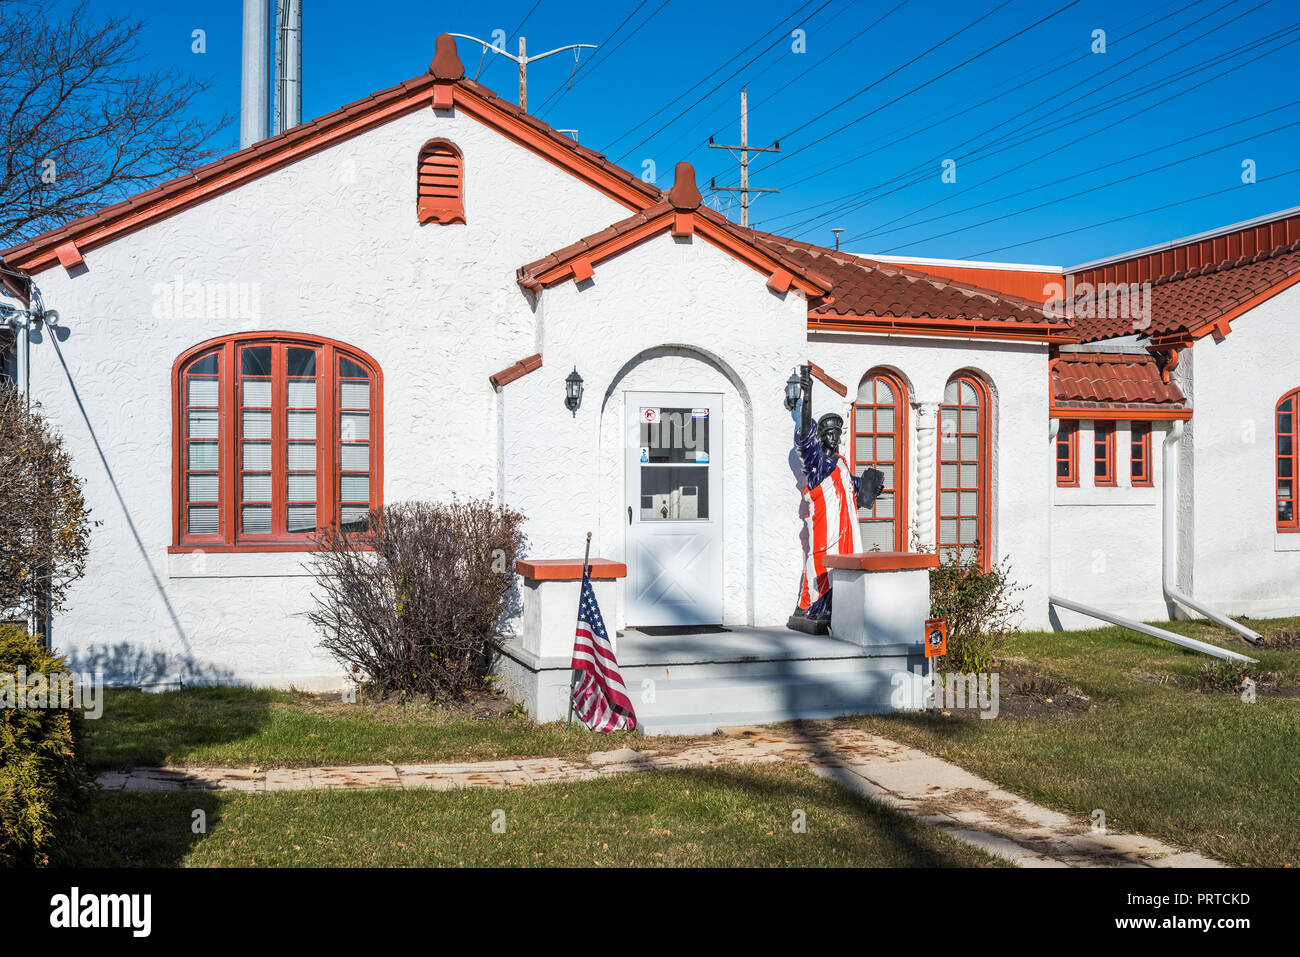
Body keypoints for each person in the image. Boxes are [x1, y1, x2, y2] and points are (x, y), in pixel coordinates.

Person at [791, 410, 885, 631]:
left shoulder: (841, 463)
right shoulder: (818, 462)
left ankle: (834, 607)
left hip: (844, 527)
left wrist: (871, 488)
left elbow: (853, 489)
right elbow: (804, 443)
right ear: (822, 436)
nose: (836, 439)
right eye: (831, 434)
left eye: (838, 434)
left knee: (843, 564)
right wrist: (806, 397)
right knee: (819, 564)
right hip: (826, 525)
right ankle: (811, 605)